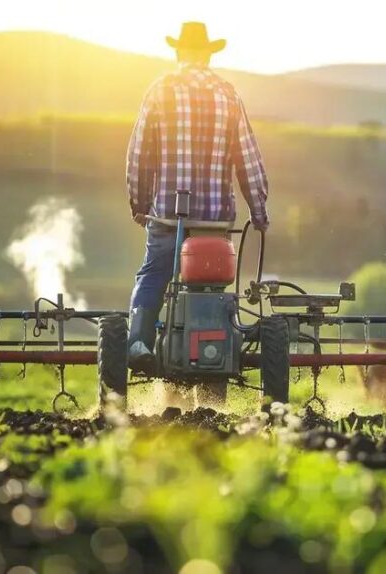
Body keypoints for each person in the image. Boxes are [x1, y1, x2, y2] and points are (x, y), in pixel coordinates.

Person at [125, 22, 269, 371]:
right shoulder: (228, 95)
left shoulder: (160, 91)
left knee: (153, 274)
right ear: (208, 54)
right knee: (214, 286)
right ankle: (216, 351)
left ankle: (140, 343)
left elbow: (139, 155)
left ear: (178, 53)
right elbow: (247, 159)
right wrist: (259, 210)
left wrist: (140, 204)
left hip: (168, 217)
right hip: (216, 221)